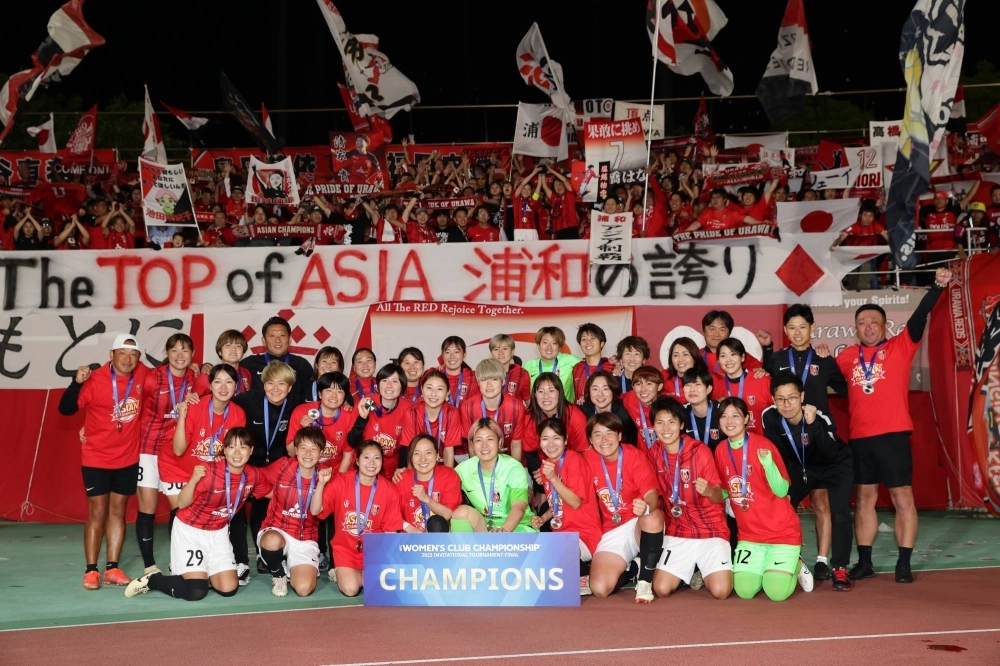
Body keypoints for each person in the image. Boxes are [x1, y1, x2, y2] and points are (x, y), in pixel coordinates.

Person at [835, 267, 951, 584]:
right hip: (860, 439)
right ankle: (866, 561)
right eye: (862, 322)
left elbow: (920, 315)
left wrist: (937, 288)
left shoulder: (900, 346)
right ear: (855, 328)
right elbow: (823, 382)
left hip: (894, 436)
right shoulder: (845, 358)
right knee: (864, 502)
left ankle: (903, 562)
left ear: (885, 326)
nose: (868, 327)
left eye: (874, 322)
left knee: (902, 500)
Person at [124, 428, 272, 601]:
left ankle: (203, 573)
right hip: (190, 530)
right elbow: (181, 504)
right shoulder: (209, 471)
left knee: (229, 589)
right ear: (224, 450)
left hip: (218, 532)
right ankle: (153, 581)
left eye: (243, 447)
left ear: (251, 450)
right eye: (232, 447)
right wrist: (194, 480)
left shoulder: (252, 475)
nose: (237, 453)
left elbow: (274, 494)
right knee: (196, 592)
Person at [59, 334, 150, 589]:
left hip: (127, 458)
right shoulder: (96, 380)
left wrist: (200, 370)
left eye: (133, 354)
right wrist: (75, 383)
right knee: (97, 512)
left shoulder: (143, 374)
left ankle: (112, 568)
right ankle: (91, 570)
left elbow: (170, 377)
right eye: (122, 353)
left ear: (138, 358)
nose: (127, 359)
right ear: (111, 355)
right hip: (96, 458)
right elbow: (66, 409)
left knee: (118, 512)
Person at [714, 397, 813, 601]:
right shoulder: (721, 449)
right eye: (724, 416)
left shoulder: (762, 445)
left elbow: (781, 490)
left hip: (781, 532)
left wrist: (768, 464)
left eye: (735, 415)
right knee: (744, 591)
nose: (729, 421)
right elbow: (725, 489)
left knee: (776, 593)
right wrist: (708, 491)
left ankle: (796, 562)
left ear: (747, 419)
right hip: (750, 536)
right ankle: (770, 564)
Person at [763, 373, 854, 591]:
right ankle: (792, 558)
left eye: (792, 398)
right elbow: (781, 454)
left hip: (835, 465)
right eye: (780, 399)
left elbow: (830, 451)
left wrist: (813, 426)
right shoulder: (769, 417)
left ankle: (839, 567)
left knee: (840, 512)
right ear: (773, 399)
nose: (786, 404)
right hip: (803, 467)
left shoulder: (821, 417)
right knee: (781, 504)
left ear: (802, 396)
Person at [647, 397, 732, 600]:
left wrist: (709, 491)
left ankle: (702, 569)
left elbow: (720, 495)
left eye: (671, 422)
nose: (666, 428)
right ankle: (693, 569)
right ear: (653, 427)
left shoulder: (699, 452)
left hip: (710, 529)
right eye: (660, 422)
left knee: (720, 592)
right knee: (660, 589)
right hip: (679, 530)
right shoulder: (655, 452)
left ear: (682, 424)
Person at [584, 413, 664, 603]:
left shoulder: (634, 456)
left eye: (609, 433)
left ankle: (644, 581)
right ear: (590, 440)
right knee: (600, 588)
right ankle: (633, 568)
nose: (604, 440)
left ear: (620, 435)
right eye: (597, 435)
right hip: (612, 529)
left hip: (638, 523)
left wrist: (646, 506)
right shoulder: (587, 459)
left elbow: (652, 495)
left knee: (652, 516)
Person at [231, 360, 300, 578]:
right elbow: (219, 401)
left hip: (277, 465)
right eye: (271, 383)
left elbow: (323, 406)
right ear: (263, 384)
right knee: (240, 511)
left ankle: (269, 554)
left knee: (272, 507)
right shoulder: (246, 401)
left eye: (282, 384)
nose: (276, 389)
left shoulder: (296, 405)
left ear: (290, 388)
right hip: (249, 464)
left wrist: (346, 401)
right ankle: (240, 561)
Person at [135, 334, 197, 575]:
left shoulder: (197, 379)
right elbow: (126, 401)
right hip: (148, 449)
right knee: (148, 508)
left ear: (192, 355)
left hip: (176, 452)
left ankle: (178, 560)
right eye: (175, 350)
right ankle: (149, 565)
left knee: (180, 508)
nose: (180, 355)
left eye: (185, 351)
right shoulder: (153, 378)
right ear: (167, 352)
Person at [162, 364, 247, 539]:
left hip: (204, 470)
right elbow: (178, 450)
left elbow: (233, 450)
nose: (223, 388)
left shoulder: (238, 414)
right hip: (176, 466)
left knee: (202, 513)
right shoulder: (195, 406)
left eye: (229, 382)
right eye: (218, 382)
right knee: (181, 510)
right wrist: (183, 417)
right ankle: (177, 560)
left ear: (236, 386)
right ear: (209, 385)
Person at [312, 440, 404, 597]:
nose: (371, 463)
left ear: (382, 461)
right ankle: (346, 572)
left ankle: (364, 574)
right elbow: (315, 511)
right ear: (357, 460)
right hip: (345, 549)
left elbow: (390, 532)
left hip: (374, 550)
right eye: (366, 457)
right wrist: (321, 484)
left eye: (377, 458)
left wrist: (386, 561)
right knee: (350, 589)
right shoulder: (341, 481)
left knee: (375, 590)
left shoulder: (390, 490)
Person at [531, 419, 602, 595]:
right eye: (545, 439)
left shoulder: (575, 461)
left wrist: (553, 478)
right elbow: (557, 502)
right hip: (562, 533)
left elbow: (575, 502)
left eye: (556, 438)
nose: (551, 444)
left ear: (565, 440)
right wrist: (544, 518)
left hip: (584, 534)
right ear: (539, 442)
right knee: (538, 554)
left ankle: (584, 573)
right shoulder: (547, 464)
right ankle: (581, 571)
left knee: (553, 556)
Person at [256, 427, 326, 597]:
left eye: (313, 448)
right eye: (303, 447)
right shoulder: (283, 466)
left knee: (304, 589)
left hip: (305, 537)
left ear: (321, 452)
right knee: (272, 541)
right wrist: (271, 494)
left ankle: (292, 563)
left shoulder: (326, 475)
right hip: (277, 529)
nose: (307, 453)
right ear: (295, 450)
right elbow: (256, 475)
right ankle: (278, 573)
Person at [761, 304, 847, 422]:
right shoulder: (777, 358)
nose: (797, 333)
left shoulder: (824, 359)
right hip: (786, 429)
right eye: (792, 328)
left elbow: (846, 390)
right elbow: (764, 383)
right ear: (785, 330)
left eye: (802, 327)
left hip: (817, 428)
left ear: (812, 328)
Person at [452, 419, 537, 532]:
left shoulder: (513, 468)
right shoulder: (463, 470)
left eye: (490, 439)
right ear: (471, 445)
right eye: (478, 440)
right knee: (460, 513)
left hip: (518, 526)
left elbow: (518, 508)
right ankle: (465, 549)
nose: (484, 445)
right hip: (485, 526)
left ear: (500, 442)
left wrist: (503, 530)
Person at [350, 364, 411, 481]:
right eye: (384, 380)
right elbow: (352, 442)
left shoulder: (408, 409)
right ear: (377, 386)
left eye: (395, 381)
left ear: (402, 386)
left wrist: (400, 472)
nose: (389, 386)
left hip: (391, 472)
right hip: (362, 469)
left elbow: (405, 447)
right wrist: (362, 418)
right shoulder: (366, 403)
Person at [460, 358, 524, 461]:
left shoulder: (516, 406)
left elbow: (515, 445)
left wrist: (514, 472)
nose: (489, 384)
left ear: (503, 381)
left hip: (507, 460)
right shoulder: (467, 407)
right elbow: (472, 446)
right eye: (484, 379)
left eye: (494, 379)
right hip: (481, 459)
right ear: (478, 382)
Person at [397, 434, 463, 533]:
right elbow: (390, 514)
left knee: (436, 522)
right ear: (410, 457)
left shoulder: (449, 475)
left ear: (437, 456)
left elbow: (447, 514)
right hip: (409, 541)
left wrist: (426, 499)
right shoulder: (401, 478)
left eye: (428, 453)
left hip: (440, 539)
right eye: (416, 453)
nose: (422, 459)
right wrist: (409, 528)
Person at [240, 316, 314, 404]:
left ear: (290, 340)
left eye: (282, 335)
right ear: (263, 340)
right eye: (272, 336)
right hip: (257, 416)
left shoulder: (302, 365)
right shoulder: (248, 364)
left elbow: (310, 398)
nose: (278, 340)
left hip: (293, 416)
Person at [398, 370, 462, 469]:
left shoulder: (452, 413)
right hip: (420, 465)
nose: (433, 394)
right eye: (429, 388)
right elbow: (411, 451)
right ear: (422, 390)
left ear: (447, 393)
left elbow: (448, 451)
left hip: (442, 465)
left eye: (440, 389)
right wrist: (412, 479)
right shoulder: (411, 412)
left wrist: (448, 477)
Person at [712, 338, 772, 433]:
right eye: (723, 356)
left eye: (733, 354)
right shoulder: (717, 388)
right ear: (718, 361)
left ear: (743, 357)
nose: (728, 360)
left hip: (762, 443)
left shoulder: (763, 381)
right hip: (733, 444)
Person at [579, 370, 638, 446]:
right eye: (595, 389)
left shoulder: (624, 414)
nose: (600, 394)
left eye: (605, 389)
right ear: (588, 392)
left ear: (613, 391)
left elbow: (630, 444)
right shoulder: (582, 412)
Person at [526, 326, 581, 402]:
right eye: (545, 342)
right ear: (538, 346)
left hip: (565, 412)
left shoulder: (571, 361)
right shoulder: (528, 366)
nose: (549, 347)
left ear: (559, 347)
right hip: (538, 412)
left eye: (554, 343)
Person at [194, 330, 253, 397]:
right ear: (220, 351)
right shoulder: (207, 375)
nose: (233, 349)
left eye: (238, 346)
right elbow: (194, 403)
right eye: (228, 345)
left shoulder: (246, 373)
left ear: (243, 352)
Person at [621, 365, 665, 451]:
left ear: (659, 387)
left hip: (664, 457)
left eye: (649, 384)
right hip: (643, 458)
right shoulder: (630, 399)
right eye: (638, 384)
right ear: (633, 387)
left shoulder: (668, 407)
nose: (643, 389)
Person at [572, 323, 616, 405]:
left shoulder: (612, 367)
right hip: (582, 414)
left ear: (602, 343)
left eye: (593, 338)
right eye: (584, 339)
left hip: (605, 415)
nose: (588, 342)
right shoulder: (577, 368)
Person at [682, 368, 724, 452]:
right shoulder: (680, 412)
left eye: (697, 384)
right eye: (688, 385)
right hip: (693, 462)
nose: (692, 389)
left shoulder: (722, 411)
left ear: (708, 389)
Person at [440, 336, 480, 412]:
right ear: (443, 356)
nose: (452, 356)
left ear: (464, 354)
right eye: (447, 352)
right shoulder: (435, 377)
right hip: (442, 423)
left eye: (456, 352)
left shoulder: (474, 377)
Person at [490, 333, 531, 405]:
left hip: (514, 415)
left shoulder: (522, 374)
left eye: (505, 348)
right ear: (491, 353)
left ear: (512, 352)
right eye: (496, 349)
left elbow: (528, 400)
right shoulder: (484, 373)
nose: (500, 353)